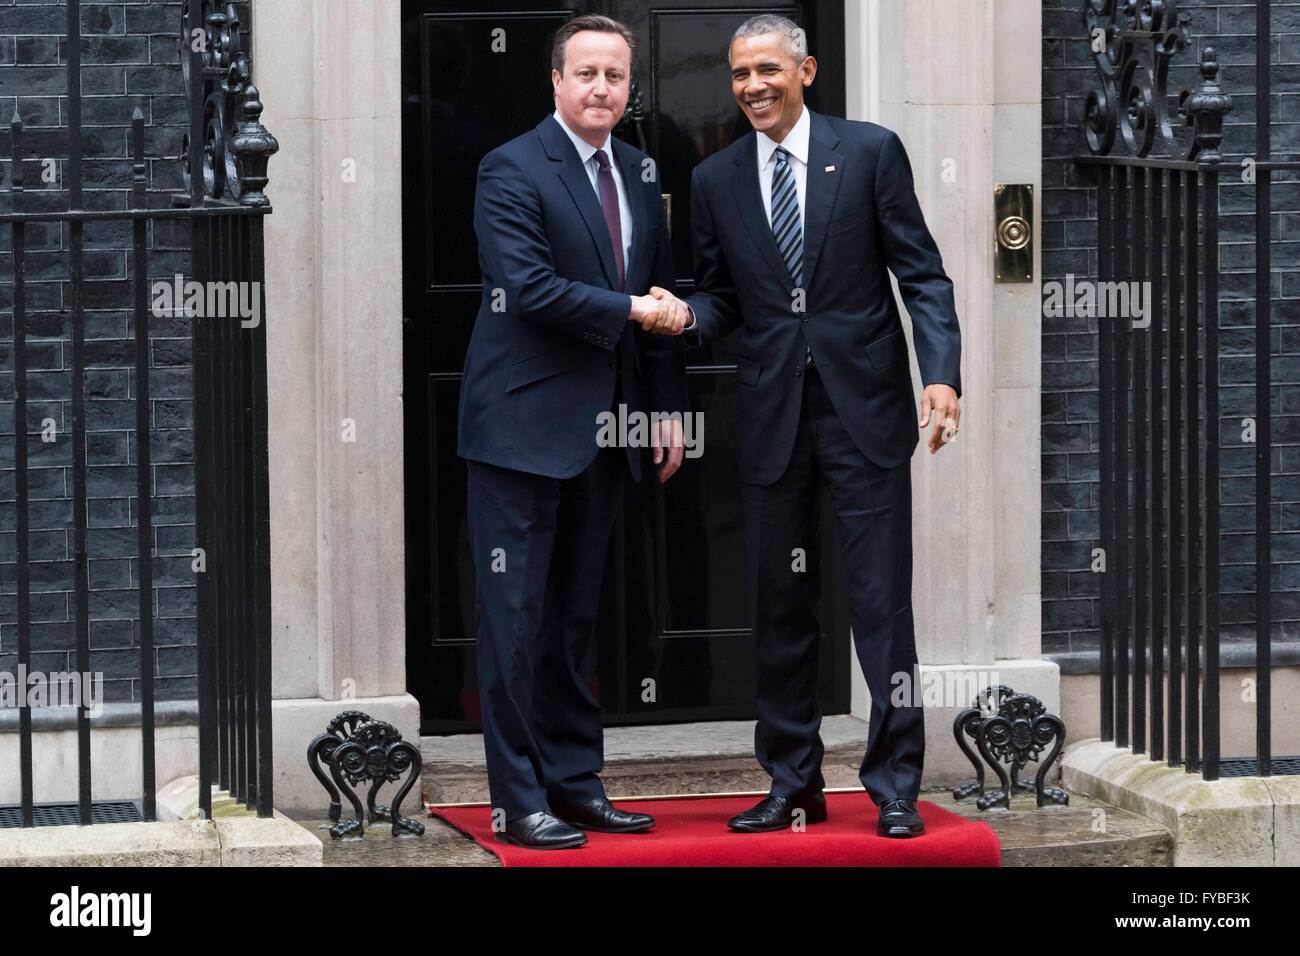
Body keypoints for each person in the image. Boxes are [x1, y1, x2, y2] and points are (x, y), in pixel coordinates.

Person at [664, 13, 963, 838]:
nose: (751, 86)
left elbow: (922, 275)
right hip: (770, 418)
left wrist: (940, 374)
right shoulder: (716, 177)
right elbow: (721, 295)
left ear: (806, 70)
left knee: (880, 608)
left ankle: (895, 784)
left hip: (863, 413)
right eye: (738, 74)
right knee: (779, 607)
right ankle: (791, 781)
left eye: (766, 69)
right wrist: (683, 314)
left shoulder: (868, 151)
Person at [459, 14, 692, 850]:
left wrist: (664, 406)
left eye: (616, 77)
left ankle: (575, 783)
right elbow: (525, 286)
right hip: (520, 430)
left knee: (575, 621)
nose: (601, 88)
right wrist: (633, 308)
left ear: (631, 89)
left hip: (608, 427)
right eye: (586, 73)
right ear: (555, 81)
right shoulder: (511, 166)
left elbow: (663, 289)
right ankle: (518, 801)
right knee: (515, 622)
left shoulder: (638, 170)